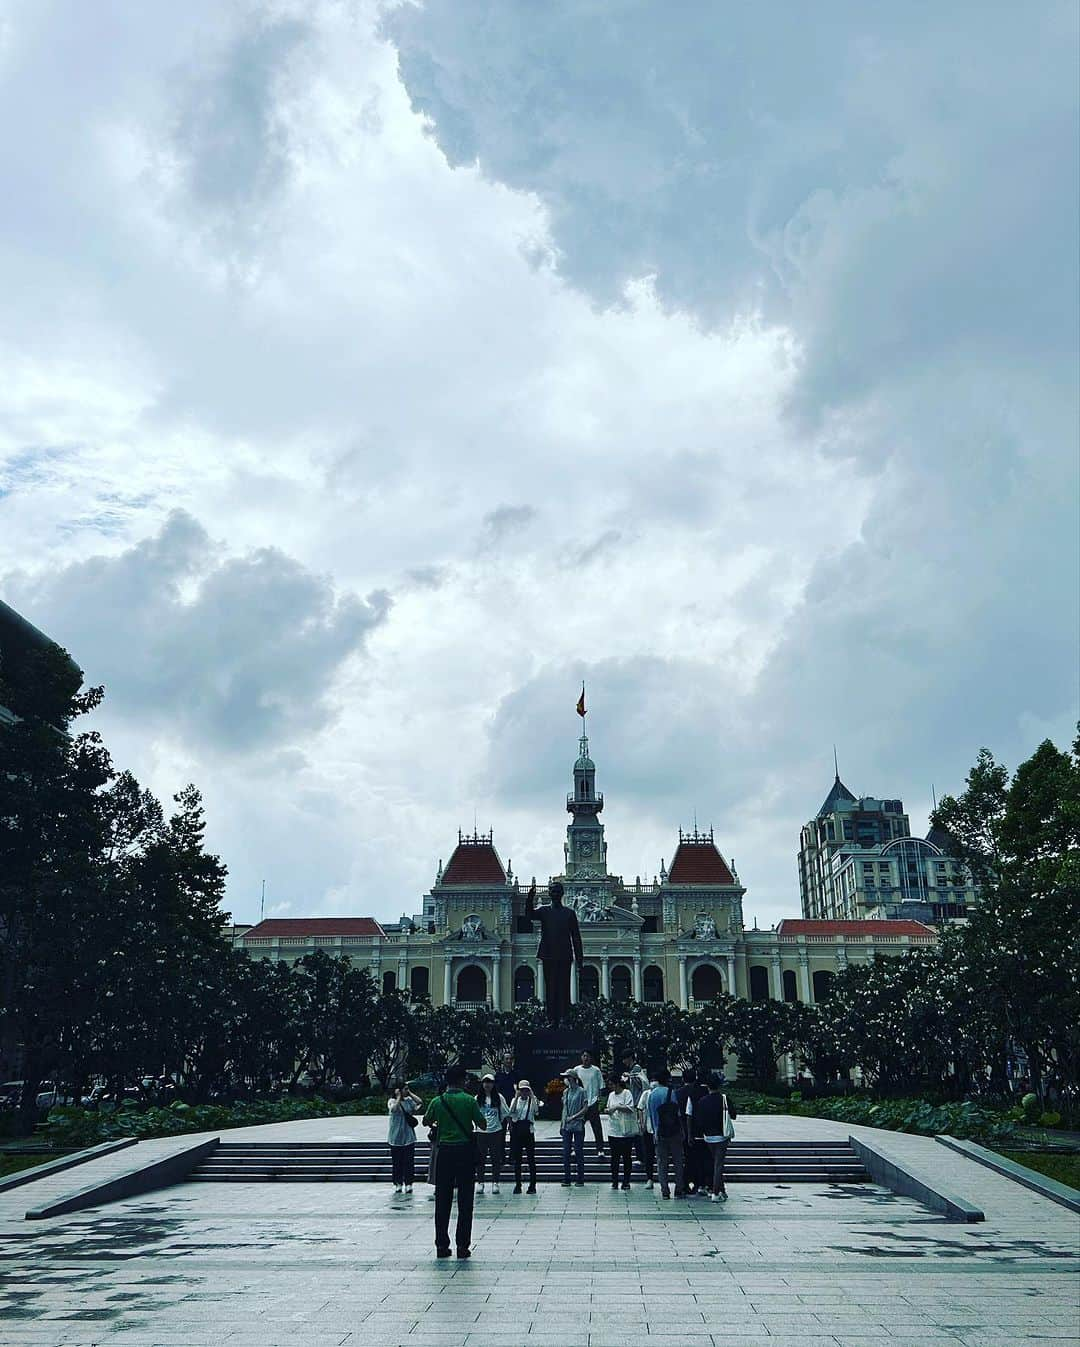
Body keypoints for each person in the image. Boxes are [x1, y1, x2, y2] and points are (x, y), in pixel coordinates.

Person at [422, 1063, 485, 1259]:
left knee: (443, 1200)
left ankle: (442, 1245)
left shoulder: (437, 1101)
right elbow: (482, 1124)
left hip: (445, 1153)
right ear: (461, 1081)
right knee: (465, 1201)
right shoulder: (469, 1101)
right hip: (465, 1152)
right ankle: (462, 1246)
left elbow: (425, 1120)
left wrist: (440, 1124)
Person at [525, 879, 583, 1025]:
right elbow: (530, 915)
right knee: (550, 988)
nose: (555, 893)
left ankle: (564, 1017)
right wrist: (529, 899)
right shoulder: (544, 911)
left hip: (564, 955)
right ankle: (552, 1019)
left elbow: (576, 937)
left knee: (564, 987)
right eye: (553, 891)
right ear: (549, 894)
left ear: (562, 894)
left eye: (558, 891)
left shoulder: (569, 913)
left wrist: (580, 958)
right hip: (548, 954)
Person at [695, 1072, 738, 1201]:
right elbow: (734, 1115)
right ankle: (715, 1192)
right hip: (721, 1136)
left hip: (708, 1137)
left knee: (715, 1162)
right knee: (718, 1164)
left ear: (707, 1086)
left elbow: (699, 1120)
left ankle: (722, 1190)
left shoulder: (702, 1101)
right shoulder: (723, 1098)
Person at [649, 1068, 685, 1200]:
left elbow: (652, 1115)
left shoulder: (652, 1095)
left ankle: (665, 1190)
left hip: (660, 1133)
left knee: (661, 1162)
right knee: (678, 1161)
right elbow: (678, 1114)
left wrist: (655, 1132)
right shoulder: (671, 1092)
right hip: (674, 1132)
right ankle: (679, 1189)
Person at [475, 1073, 509, 1194]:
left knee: (496, 1158)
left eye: (489, 1082)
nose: (487, 1084)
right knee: (480, 1158)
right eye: (485, 1082)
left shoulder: (499, 1097)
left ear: (493, 1084)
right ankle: (480, 1182)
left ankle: (495, 1182)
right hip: (481, 1131)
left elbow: (506, 1113)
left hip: (495, 1131)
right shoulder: (477, 1098)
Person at [677, 1067, 709, 1195]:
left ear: (682, 1078)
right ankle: (698, 1183)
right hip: (699, 1131)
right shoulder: (701, 1091)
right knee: (699, 1159)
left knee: (687, 1158)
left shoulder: (677, 1093)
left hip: (682, 1130)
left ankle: (684, 1184)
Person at [387, 1080, 422, 1194]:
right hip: (395, 1136)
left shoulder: (409, 1101)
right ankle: (398, 1183)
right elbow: (393, 1109)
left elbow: (420, 1103)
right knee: (397, 1162)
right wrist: (398, 1097)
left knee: (409, 1161)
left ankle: (409, 1183)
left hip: (408, 1136)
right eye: (405, 1089)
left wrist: (410, 1093)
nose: (407, 1091)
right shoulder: (392, 1101)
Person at [605, 1074, 639, 1190]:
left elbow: (630, 1108)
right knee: (614, 1157)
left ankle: (626, 1181)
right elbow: (609, 1107)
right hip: (613, 1129)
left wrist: (617, 1107)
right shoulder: (611, 1095)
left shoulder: (626, 1093)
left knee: (626, 1157)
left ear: (617, 1083)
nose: (610, 1087)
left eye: (611, 1084)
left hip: (625, 1131)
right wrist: (609, 1110)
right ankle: (614, 1180)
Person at [508, 1079, 540, 1194]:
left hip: (528, 1131)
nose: (524, 1092)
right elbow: (510, 1112)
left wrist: (532, 1096)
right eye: (522, 1090)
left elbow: (536, 1112)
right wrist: (516, 1098)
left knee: (531, 1159)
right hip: (517, 1131)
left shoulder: (532, 1100)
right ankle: (518, 1184)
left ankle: (533, 1185)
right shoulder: (514, 1100)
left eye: (526, 1090)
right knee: (518, 1160)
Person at [559, 1068, 588, 1186]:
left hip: (578, 1124)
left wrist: (574, 1117)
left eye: (567, 1076)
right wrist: (562, 1124)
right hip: (567, 1126)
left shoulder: (581, 1091)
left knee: (578, 1151)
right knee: (566, 1152)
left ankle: (580, 1178)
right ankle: (567, 1177)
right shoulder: (566, 1092)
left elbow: (585, 1108)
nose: (566, 1079)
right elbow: (564, 1109)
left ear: (573, 1078)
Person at [574, 1051, 606, 1156]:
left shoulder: (596, 1070)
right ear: (581, 1057)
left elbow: (601, 1086)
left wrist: (599, 1100)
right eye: (584, 1056)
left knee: (596, 1127)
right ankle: (577, 1148)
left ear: (590, 1057)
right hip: (581, 1103)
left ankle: (600, 1149)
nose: (585, 1058)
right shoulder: (577, 1069)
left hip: (593, 1101)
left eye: (587, 1056)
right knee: (579, 1127)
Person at [636, 1074, 658, 1189]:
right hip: (648, 1129)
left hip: (660, 1130)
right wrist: (641, 1123)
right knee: (648, 1155)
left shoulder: (662, 1093)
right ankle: (649, 1178)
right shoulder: (646, 1094)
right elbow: (640, 1108)